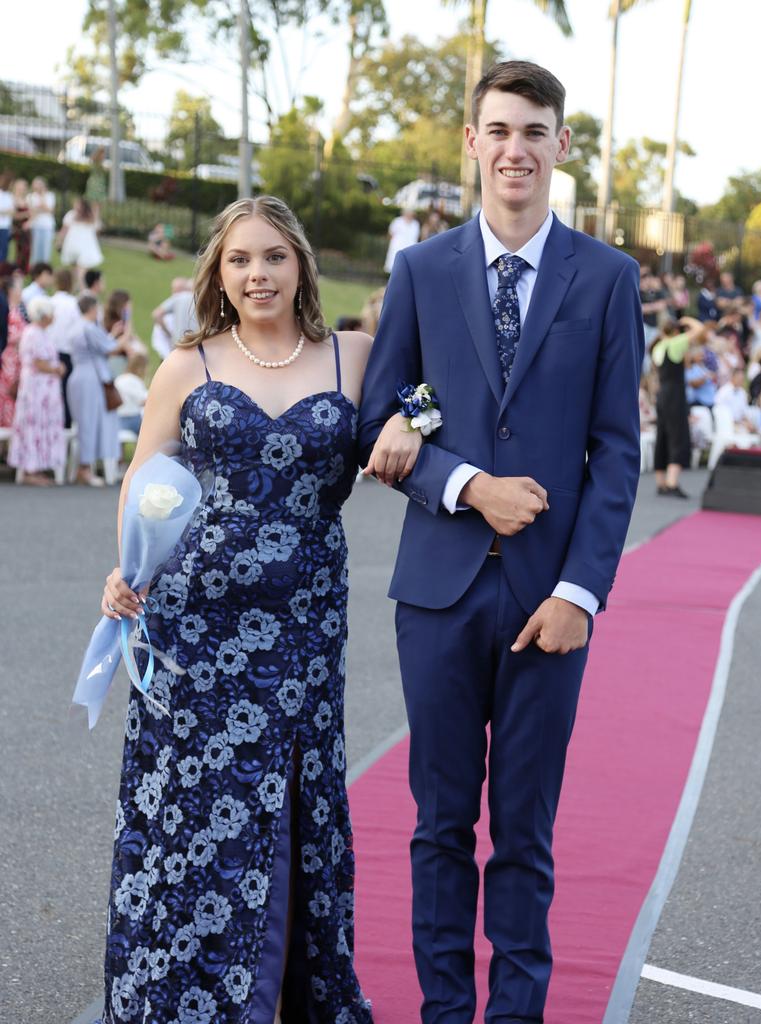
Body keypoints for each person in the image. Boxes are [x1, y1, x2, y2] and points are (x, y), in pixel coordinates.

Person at [359, 60, 643, 1023]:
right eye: (499, 131)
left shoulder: (608, 279)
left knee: (524, 831)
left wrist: (580, 594)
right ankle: (446, 1012)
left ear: (562, 145)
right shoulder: (420, 271)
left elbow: (616, 453)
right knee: (440, 828)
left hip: (546, 604)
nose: (516, 149)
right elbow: (382, 414)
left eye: (535, 131)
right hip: (436, 594)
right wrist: (467, 484)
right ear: (472, 145)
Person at [96, 195, 417, 1024]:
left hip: (304, 625)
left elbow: (425, 400)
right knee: (190, 803)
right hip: (189, 625)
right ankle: (181, 999)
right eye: (239, 260)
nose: (257, 274)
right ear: (219, 273)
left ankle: (278, 996)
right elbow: (144, 473)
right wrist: (125, 567)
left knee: (288, 794)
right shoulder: (189, 363)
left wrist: (417, 420)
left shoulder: (355, 355)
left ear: (300, 263)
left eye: (272, 256)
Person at [67, 294, 129, 486]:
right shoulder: (89, 328)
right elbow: (111, 349)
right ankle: (84, 468)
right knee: (90, 422)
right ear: (92, 309)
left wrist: (112, 336)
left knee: (84, 422)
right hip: (90, 380)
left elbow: (96, 349)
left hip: (78, 375)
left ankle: (84, 466)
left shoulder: (76, 327)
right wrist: (126, 334)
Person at [7, 296, 66, 485]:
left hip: (44, 390)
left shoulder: (40, 332)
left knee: (42, 425)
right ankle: (30, 469)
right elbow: (38, 362)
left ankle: (39, 465)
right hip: (36, 390)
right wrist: (56, 369)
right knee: (34, 425)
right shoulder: (33, 333)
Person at [651, 316, 707, 498]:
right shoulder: (675, 343)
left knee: (662, 436)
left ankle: (661, 482)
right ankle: (672, 482)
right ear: (675, 331)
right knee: (678, 436)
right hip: (674, 394)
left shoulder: (658, 346)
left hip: (662, 394)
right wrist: (688, 320)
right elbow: (699, 328)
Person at [49, 267, 83, 428]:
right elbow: (77, 332)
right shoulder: (73, 304)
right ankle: (65, 426)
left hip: (49, 352)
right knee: (65, 393)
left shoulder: (50, 302)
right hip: (66, 353)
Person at [59, 198, 103, 288]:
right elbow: (64, 229)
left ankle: (77, 287)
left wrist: (96, 211)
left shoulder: (90, 216)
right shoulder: (71, 215)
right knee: (78, 270)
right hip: (74, 244)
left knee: (80, 269)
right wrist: (59, 240)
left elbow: (97, 229)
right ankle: (80, 288)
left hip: (84, 245)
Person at [0, 273, 25, 426]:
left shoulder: (19, 311)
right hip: (8, 359)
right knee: (6, 394)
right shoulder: (7, 310)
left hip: (17, 360)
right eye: (18, 288)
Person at [150, 277, 197, 359]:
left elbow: (156, 314)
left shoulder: (178, 298)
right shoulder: (202, 300)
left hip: (178, 344)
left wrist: (168, 333)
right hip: (196, 344)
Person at [114, 349, 148, 436]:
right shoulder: (135, 380)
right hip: (132, 419)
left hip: (117, 419)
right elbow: (144, 400)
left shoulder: (119, 379)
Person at [28, 177, 57, 264]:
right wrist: (41, 209)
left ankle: (44, 267)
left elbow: (50, 210)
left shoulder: (50, 195)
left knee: (46, 249)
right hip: (35, 225)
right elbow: (32, 211)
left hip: (47, 226)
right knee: (35, 249)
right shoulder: (30, 196)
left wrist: (42, 199)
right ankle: (35, 268)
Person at [383, 207, 419, 274]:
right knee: (393, 264)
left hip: (409, 247)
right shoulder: (397, 221)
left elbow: (416, 237)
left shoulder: (415, 224)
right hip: (397, 246)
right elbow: (390, 234)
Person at [11, 178, 31, 274]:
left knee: (26, 249)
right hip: (17, 228)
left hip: (26, 228)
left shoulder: (27, 199)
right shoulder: (12, 198)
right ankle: (16, 268)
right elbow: (13, 215)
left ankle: (23, 269)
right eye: (20, 187)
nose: (22, 189)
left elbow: (32, 214)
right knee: (19, 249)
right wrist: (26, 214)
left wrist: (29, 222)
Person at [0, 171, 15, 263]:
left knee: (4, 249)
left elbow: (12, 212)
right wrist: (7, 211)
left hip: (6, 226)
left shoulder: (9, 195)